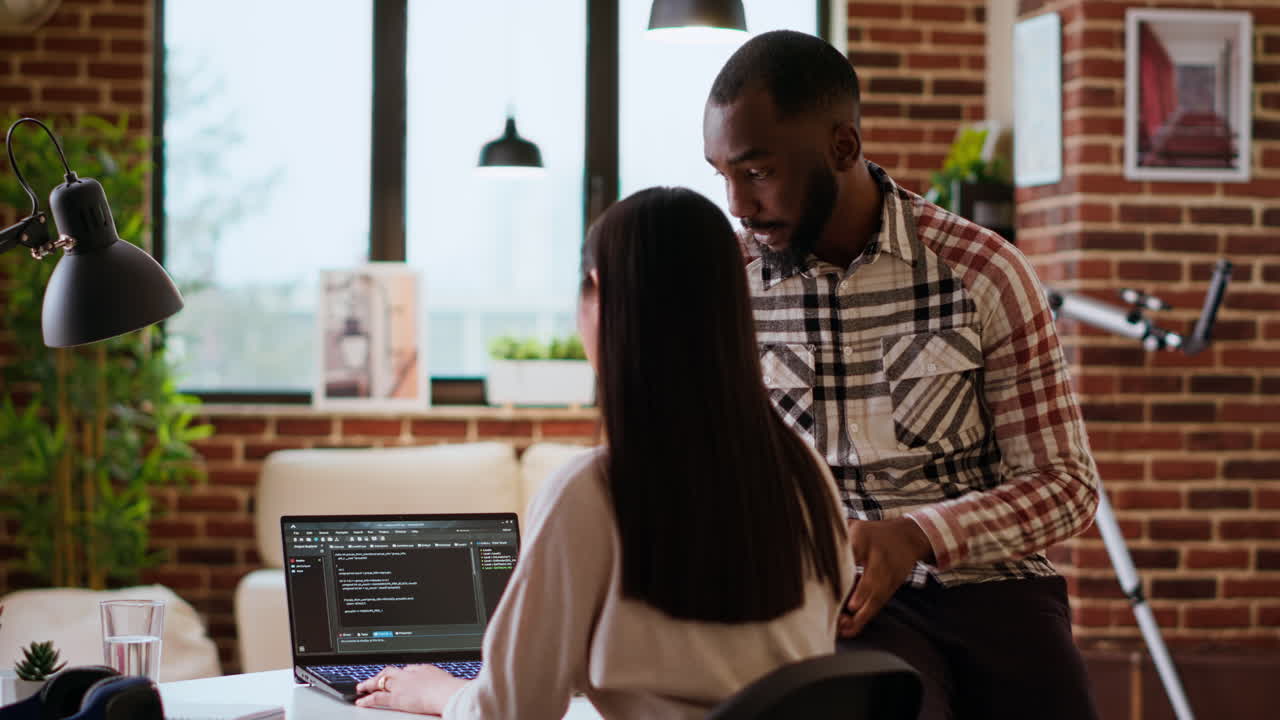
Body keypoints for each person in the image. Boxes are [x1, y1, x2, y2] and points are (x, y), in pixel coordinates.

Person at [702, 30, 1101, 720]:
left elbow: (1067, 487)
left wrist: (918, 534)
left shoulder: (984, 272)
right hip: (832, 602)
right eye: (723, 177)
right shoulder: (726, 291)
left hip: (992, 588)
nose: (738, 204)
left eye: (758, 172)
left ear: (842, 148)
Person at [354, 187, 855, 719]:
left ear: (598, 292)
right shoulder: (809, 477)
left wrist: (436, 691)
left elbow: (511, 711)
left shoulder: (594, 493)